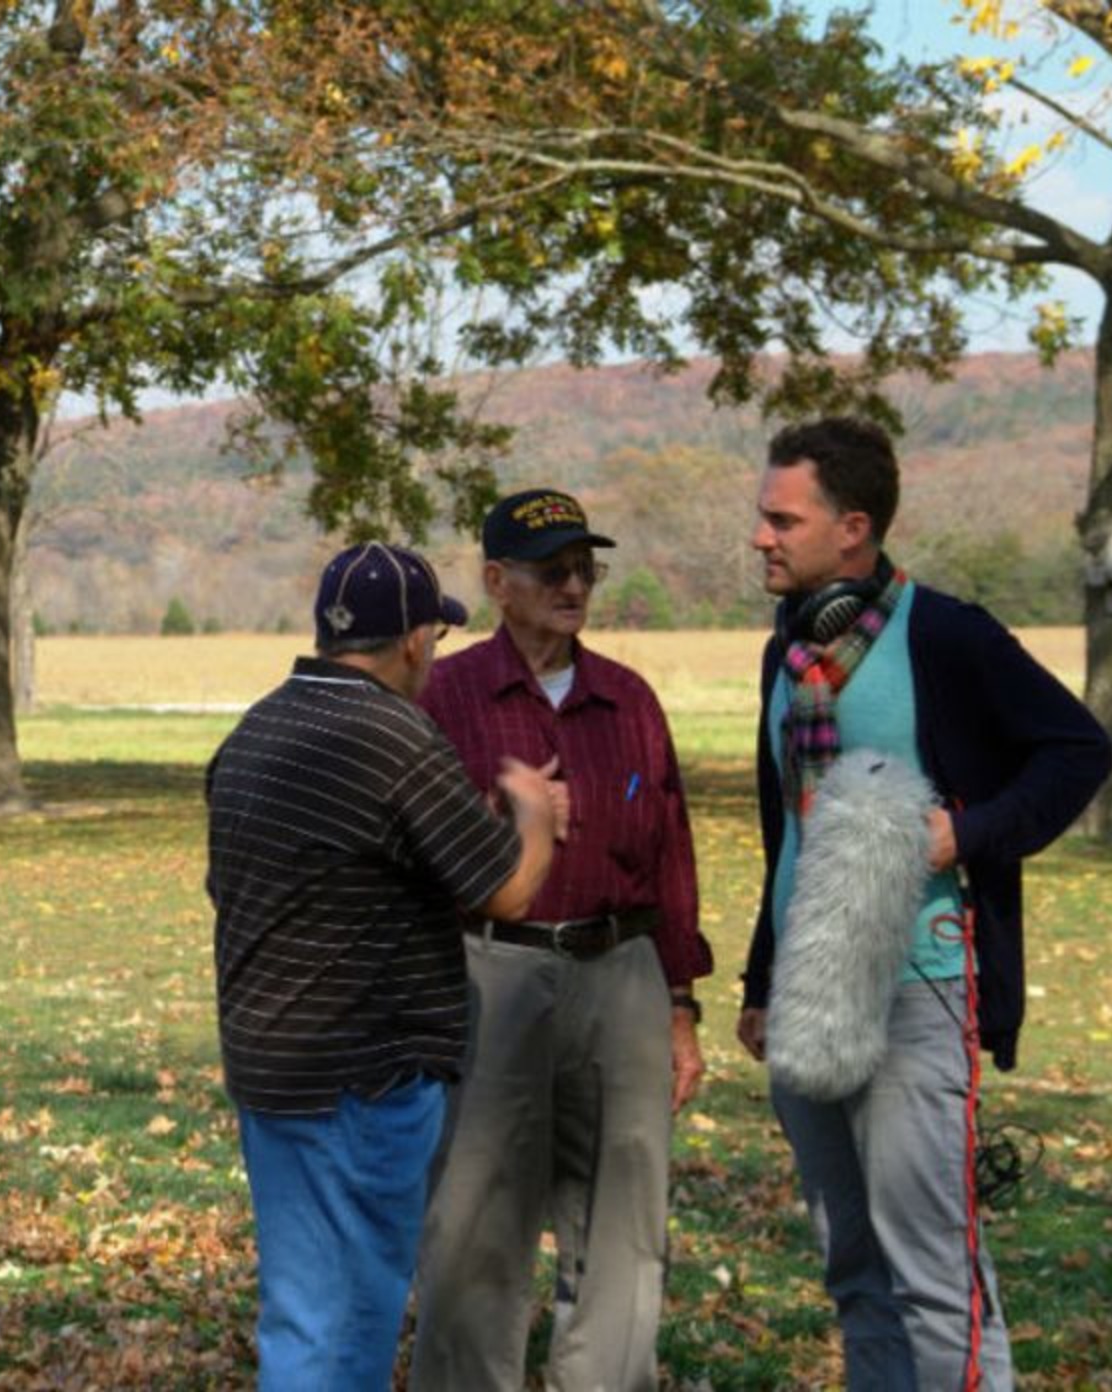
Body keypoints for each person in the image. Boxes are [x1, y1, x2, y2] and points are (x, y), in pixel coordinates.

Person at [736, 418, 1112, 1390]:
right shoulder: (787, 652)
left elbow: (1077, 750)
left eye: (781, 518)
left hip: (918, 988)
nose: (759, 537)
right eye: (760, 517)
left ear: (851, 528)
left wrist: (966, 830)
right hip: (810, 1000)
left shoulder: (944, 635)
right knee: (852, 1271)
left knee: (934, 1275)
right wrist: (759, 979)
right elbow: (790, 833)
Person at [207, 540, 565, 1392]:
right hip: (362, 1079)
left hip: (269, 1068)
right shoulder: (393, 735)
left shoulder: (258, 729)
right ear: (413, 641)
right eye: (434, 639)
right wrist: (535, 812)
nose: (435, 657)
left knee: (300, 1312)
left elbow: (270, 880)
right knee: (350, 1328)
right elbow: (507, 889)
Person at [411, 488, 713, 1392]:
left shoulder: (629, 699)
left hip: (621, 971)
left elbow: (671, 859)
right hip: (491, 971)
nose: (574, 585)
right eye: (553, 570)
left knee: (626, 1224)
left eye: (586, 568)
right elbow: (409, 844)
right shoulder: (447, 694)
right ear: (498, 581)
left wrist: (681, 1003)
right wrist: (502, 818)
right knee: (474, 1226)